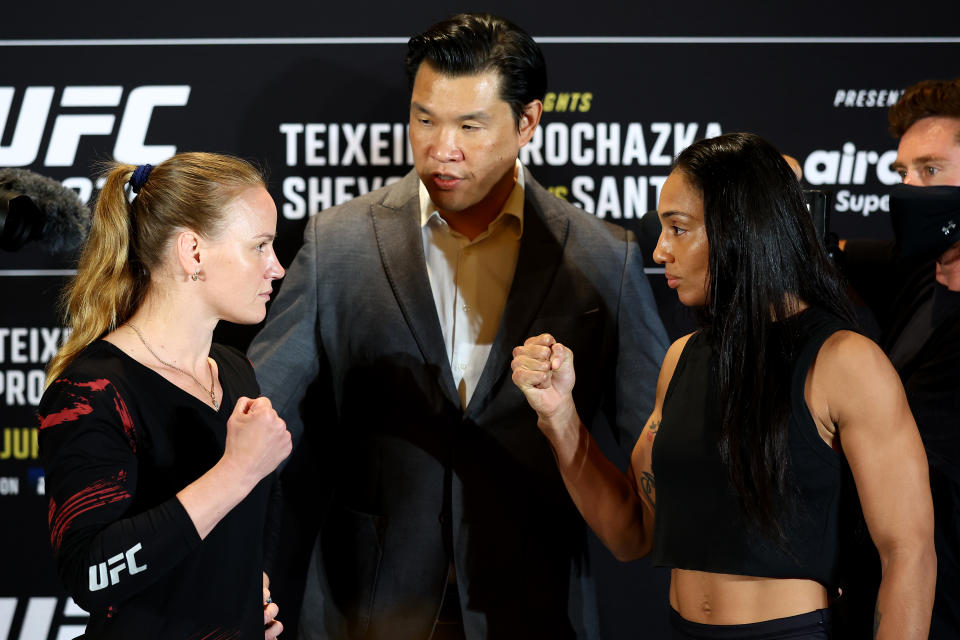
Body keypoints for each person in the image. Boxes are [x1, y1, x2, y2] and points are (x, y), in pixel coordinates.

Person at [247, 12, 668, 640]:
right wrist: (227, 560)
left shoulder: (604, 258)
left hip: (535, 609)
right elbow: (255, 413)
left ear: (527, 122)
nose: (441, 148)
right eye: (424, 119)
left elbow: (659, 448)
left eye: (470, 125)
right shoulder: (338, 243)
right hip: (363, 609)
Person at [512, 133, 936, 639]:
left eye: (679, 229)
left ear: (743, 230)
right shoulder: (681, 359)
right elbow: (631, 534)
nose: (660, 249)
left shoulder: (846, 361)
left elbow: (909, 555)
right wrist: (559, 417)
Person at [38, 152, 291, 639]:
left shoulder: (234, 370)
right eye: (259, 246)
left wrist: (241, 594)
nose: (276, 268)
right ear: (193, 252)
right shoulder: (93, 391)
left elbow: (255, 520)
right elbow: (91, 576)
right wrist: (234, 472)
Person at [841, 77, 960, 638]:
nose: (909, 190)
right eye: (902, 174)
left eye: (930, 170)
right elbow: (824, 250)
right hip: (887, 602)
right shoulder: (917, 273)